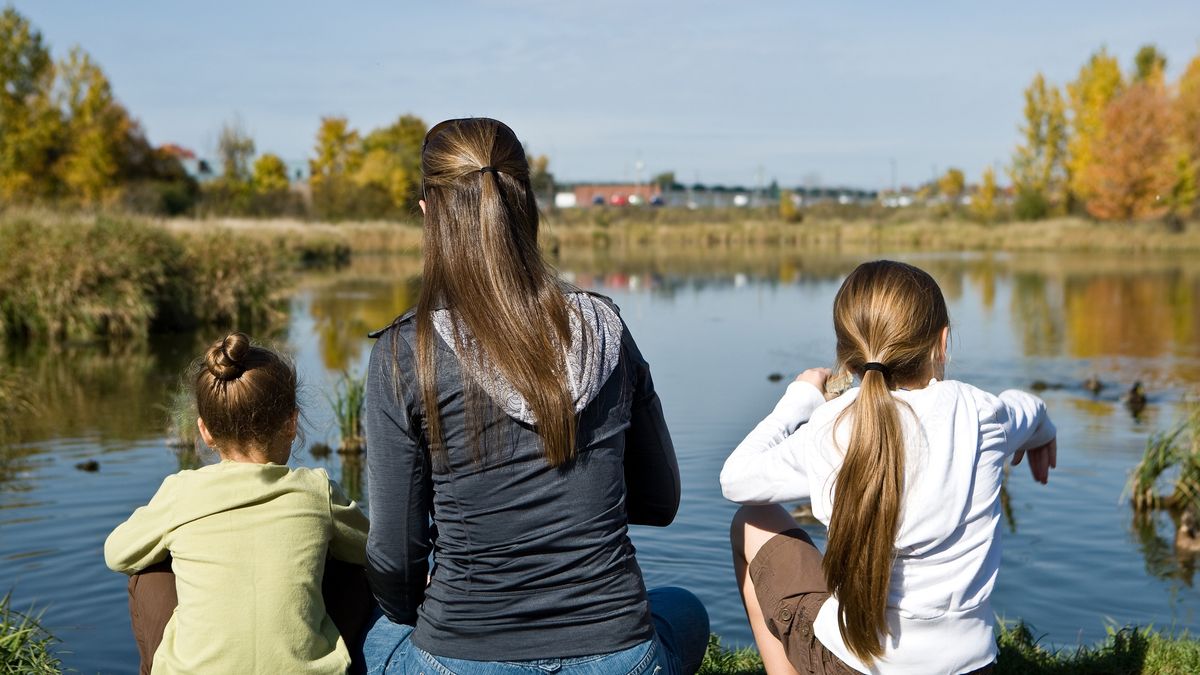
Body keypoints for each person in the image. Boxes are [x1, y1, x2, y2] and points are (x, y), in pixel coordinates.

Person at [361, 117, 709, 674]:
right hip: (620, 656)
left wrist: (417, 608)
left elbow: (394, 558)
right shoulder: (606, 329)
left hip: (462, 655)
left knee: (380, 632)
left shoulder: (405, 352)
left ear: (430, 212)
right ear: (526, 206)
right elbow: (661, 501)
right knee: (685, 610)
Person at [721, 260, 1058, 675]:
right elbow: (1029, 409)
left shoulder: (832, 426)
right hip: (972, 668)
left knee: (752, 519)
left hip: (847, 666)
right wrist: (1043, 431)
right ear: (942, 343)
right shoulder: (980, 412)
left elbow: (735, 480)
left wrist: (799, 401)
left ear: (848, 355)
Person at [105, 332, 371, 674]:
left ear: (205, 432)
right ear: (292, 422)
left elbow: (117, 554)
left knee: (147, 573)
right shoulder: (316, 490)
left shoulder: (182, 491)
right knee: (352, 566)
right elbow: (375, 551)